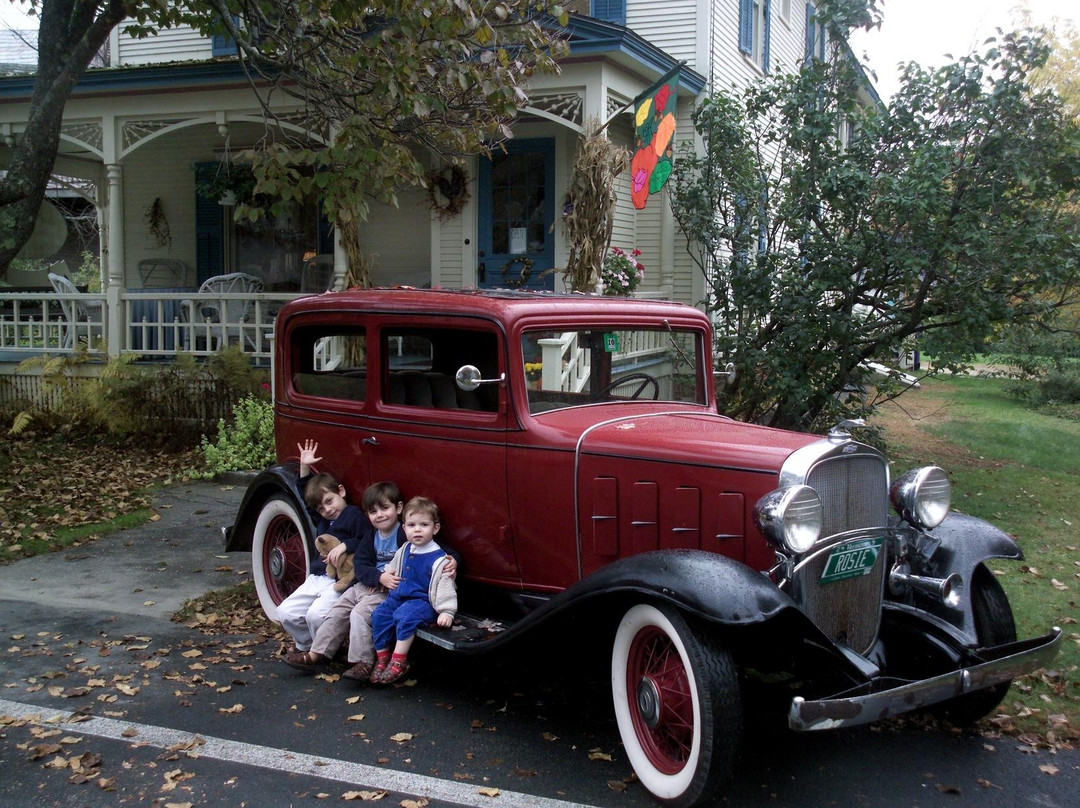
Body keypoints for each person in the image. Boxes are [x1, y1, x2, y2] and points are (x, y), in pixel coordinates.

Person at [276, 440, 368, 656]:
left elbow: (368, 539)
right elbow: (306, 499)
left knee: (316, 615)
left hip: (339, 580)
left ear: (341, 492)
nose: (327, 509)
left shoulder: (353, 515)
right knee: (285, 612)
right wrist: (304, 468)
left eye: (329, 501)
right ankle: (307, 646)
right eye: (321, 508)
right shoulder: (323, 520)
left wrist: (345, 545)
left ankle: (323, 653)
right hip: (317, 577)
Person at [369, 496, 457, 685]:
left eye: (424, 525)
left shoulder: (440, 559)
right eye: (411, 525)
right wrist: (386, 574)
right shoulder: (405, 548)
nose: (417, 529)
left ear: (435, 528)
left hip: (423, 602)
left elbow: (445, 587)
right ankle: (383, 657)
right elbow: (394, 565)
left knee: (404, 616)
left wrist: (447, 611)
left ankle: (399, 660)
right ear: (404, 528)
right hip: (399, 596)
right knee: (379, 615)